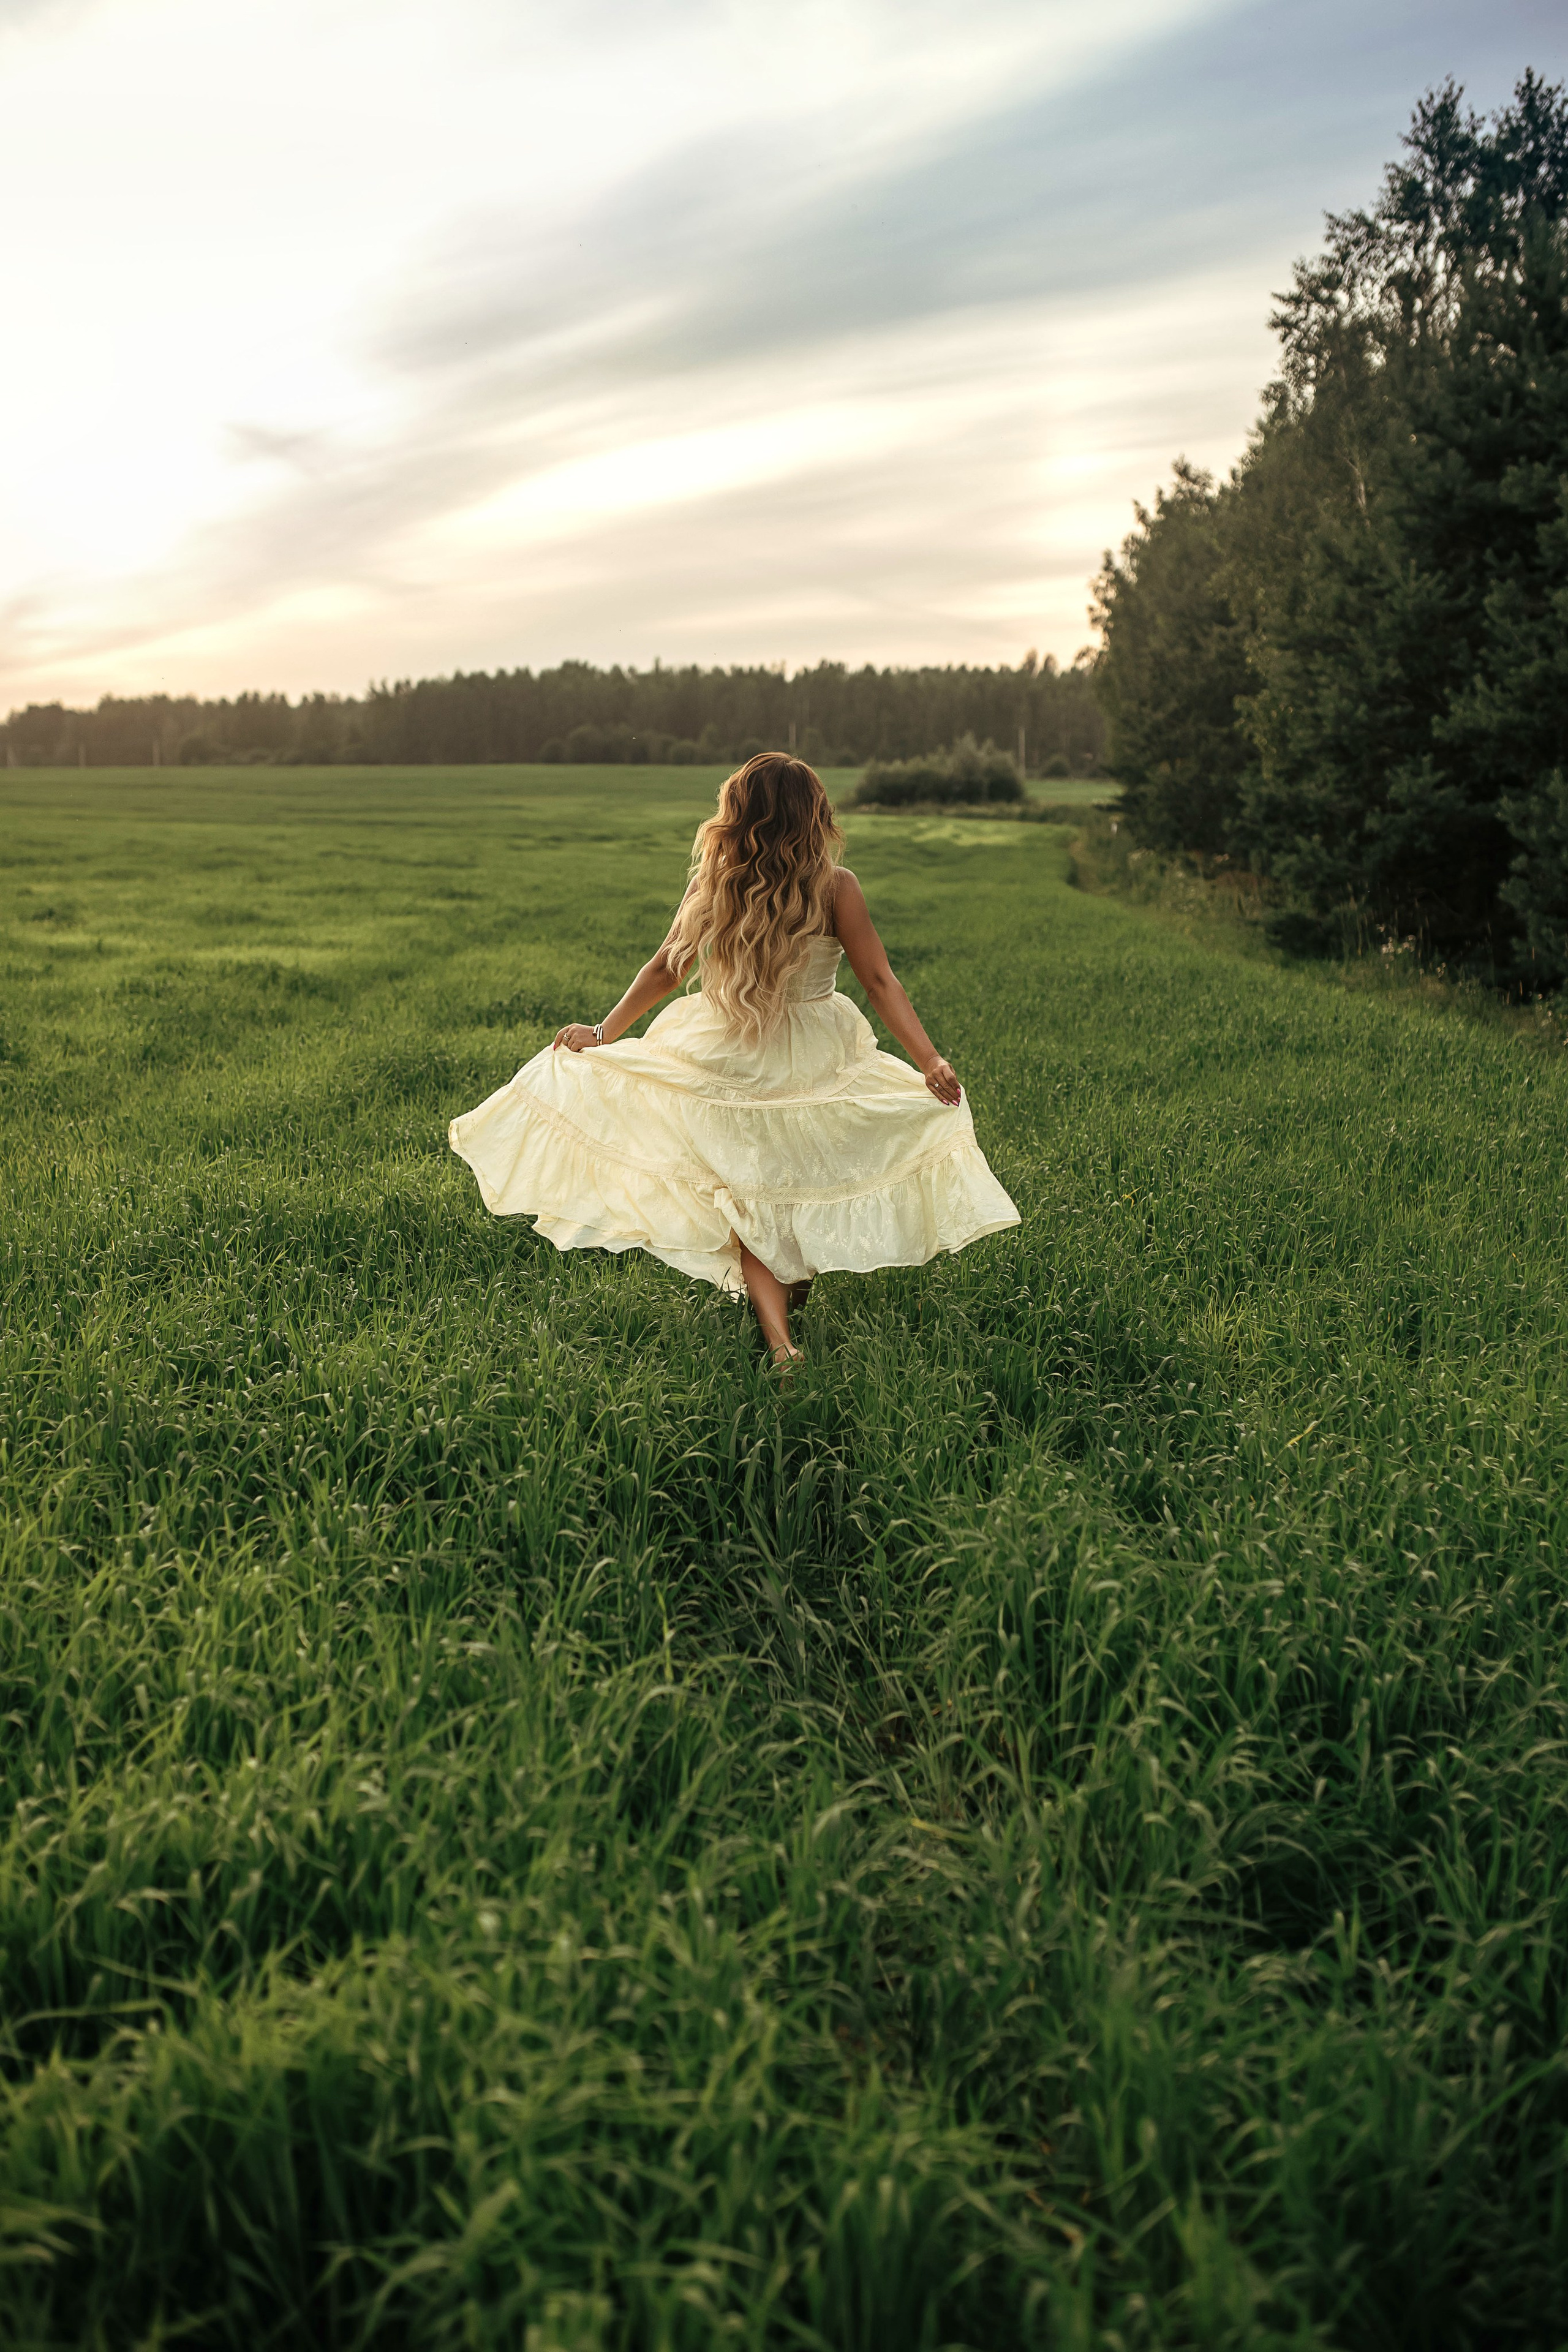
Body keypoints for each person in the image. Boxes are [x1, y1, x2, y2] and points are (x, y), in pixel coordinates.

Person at [448, 753, 1019, 1366]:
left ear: (738, 815)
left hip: (725, 1050)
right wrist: (928, 1059)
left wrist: (603, 1031)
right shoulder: (835, 886)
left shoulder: (716, 882)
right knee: (772, 1192)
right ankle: (780, 1336)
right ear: (813, 815)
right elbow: (878, 981)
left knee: (751, 1194)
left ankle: (780, 1335)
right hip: (814, 1053)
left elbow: (667, 971)